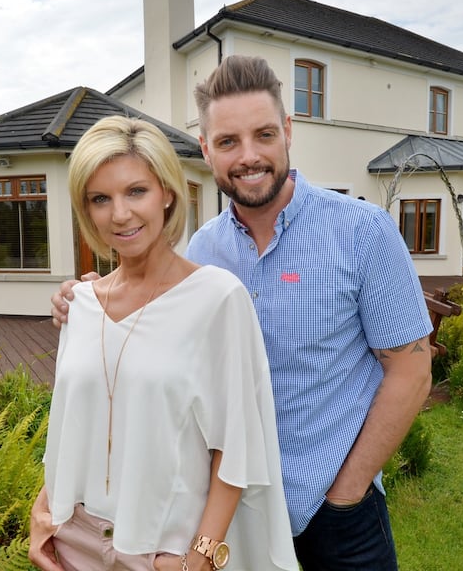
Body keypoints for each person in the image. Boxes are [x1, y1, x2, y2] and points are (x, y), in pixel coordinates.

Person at [44, 55, 433, 570]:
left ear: (288, 132)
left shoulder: (362, 232)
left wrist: (347, 490)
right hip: (234, 520)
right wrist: (93, 296)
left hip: (333, 512)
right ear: (206, 150)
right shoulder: (203, 251)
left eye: (264, 135)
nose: (248, 156)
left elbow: (411, 369)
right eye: (228, 142)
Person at [28, 115, 298, 571]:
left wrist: (200, 558)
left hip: (162, 551)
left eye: (136, 191)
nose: (120, 214)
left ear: (167, 193)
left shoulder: (217, 298)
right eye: (100, 198)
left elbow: (236, 445)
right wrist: (43, 516)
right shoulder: (81, 304)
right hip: (74, 543)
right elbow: (77, 425)